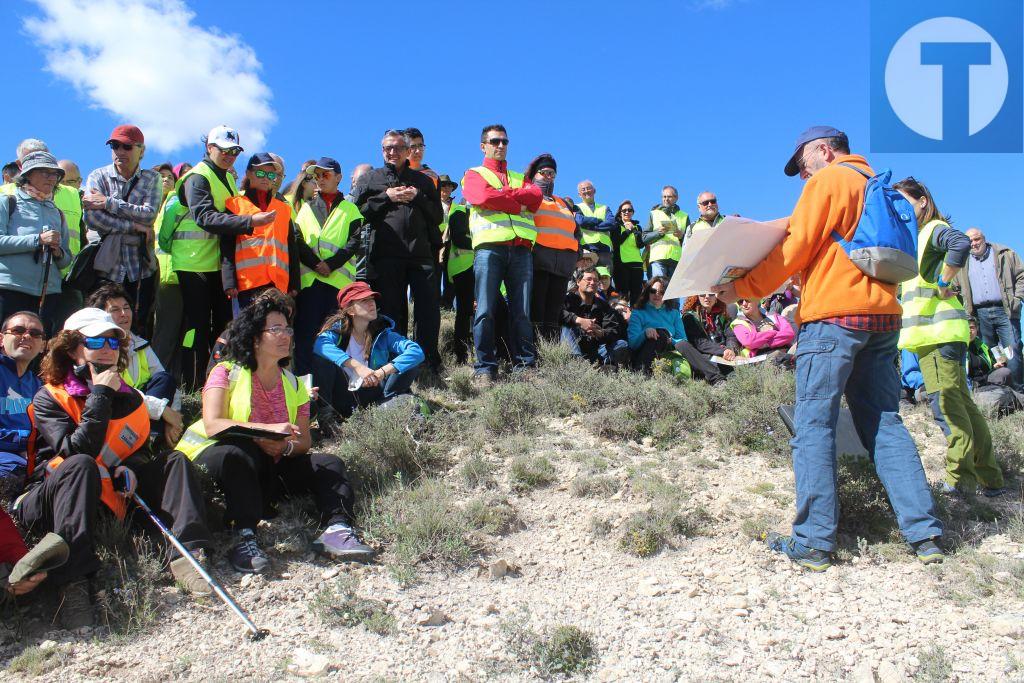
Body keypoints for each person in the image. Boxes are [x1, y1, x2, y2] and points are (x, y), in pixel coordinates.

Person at [712, 126, 944, 570]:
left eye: (802, 165)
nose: (803, 176)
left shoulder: (830, 181)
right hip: (882, 318)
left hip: (833, 318)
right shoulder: (874, 181)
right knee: (885, 423)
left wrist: (742, 288)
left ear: (823, 150)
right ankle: (926, 535)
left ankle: (815, 541)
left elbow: (793, 250)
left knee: (814, 425)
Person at [18, 308, 214, 629]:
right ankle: (74, 584)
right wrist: (100, 395)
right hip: (51, 502)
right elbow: (75, 451)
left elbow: (131, 450)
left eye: (113, 341)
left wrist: (132, 468)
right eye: (96, 340)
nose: (108, 347)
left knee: (173, 461)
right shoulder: (49, 397)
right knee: (81, 465)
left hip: (108, 500)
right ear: (72, 349)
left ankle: (188, 555)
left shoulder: (132, 400)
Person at [174, 295, 373, 571]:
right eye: (275, 329)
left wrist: (284, 448)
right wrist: (263, 433)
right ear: (255, 337)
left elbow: (303, 441)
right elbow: (213, 424)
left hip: (272, 464)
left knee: (330, 463)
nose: (285, 336)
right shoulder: (225, 371)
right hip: (218, 460)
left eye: (287, 329)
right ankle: (243, 536)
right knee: (240, 454)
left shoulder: (293, 383)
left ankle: (337, 529)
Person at [893, 177, 1006, 498]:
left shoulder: (932, 231)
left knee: (947, 406)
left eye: (905, 201)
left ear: (923, 201)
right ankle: (991, 478)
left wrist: (944, 282)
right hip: (938, 336)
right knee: (964, 406)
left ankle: (960, 479)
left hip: (939, 336)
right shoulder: (917, 239)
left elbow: (959, 243)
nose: (900, 208)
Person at [170, 125, 275, 377]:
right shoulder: (198, 177)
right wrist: (250, 222)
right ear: (209, 148)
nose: (229, 155)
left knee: (222, 325)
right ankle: (192, 382)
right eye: (224, 150)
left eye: (235, 151)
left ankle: (216, 378)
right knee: (196, 326)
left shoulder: (227, 176)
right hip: (192, 262)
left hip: (217, 263)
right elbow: (205, 217)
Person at [353, 130, 443, 371]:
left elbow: (438, 216)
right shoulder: (371, 179)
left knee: (428, 310)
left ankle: (427, 362)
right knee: (392, 312)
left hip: (420, 254)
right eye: (387, 148)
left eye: (396, 148)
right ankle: (395, 364)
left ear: (407, 151)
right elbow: (356, 213)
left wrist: (419, 198)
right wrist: (387, 197)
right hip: (386, 255)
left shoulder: (423, 181)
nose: (391, 152)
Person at [462, 124, 543, 384]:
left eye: (504, 142)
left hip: (521, 250)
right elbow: (479, 195)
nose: (500, 146)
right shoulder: (474, 173)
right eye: (495, 141)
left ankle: (524, 366)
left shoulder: (520, 176)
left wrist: (504, 194)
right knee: (485, 310)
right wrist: (515, 202)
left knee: (522, 311)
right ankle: (485, 368)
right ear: (483, 146)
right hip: (489, 249)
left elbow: (536, 197)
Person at [82, 125, 163, 335]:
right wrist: (132, 226)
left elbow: (148, 214)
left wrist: (108, 203)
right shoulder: (98, 175)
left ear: (141, 151)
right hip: (106, 266)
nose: (119, 151)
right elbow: (92, 218)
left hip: (140, 268)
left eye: (126, 146)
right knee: (100, 325)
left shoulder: (151, 178)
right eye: (114, 145)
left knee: (137, 327)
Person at [85, 284, 184, 446]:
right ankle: (150, 439)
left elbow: (171, 388)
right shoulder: (99, 347)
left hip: (143, 410)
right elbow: (122, 392)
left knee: (165, 379)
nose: (124, 314)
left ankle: (152, 438)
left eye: (126, 307)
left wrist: (173, 420)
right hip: (116, 409)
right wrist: (162, 411)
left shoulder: (140, 344)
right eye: (115, 310)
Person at [293, 157, 364, 376]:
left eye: (325, 175)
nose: (319, 180)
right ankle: (306, 397)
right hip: (310, 284)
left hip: (339, 288)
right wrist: (316, 264)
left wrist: (330, 265)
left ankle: (331, 395)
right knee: (305, 338)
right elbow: (297, 240)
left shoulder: (351, 210)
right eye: (316, 176)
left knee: (334, 342)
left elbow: (354, 242)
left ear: (339, 178)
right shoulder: (304, 209)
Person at [313, 281, 424, 420]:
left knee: (411, 363)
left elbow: (416, 351)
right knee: (322, 358)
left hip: (373, 394)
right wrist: (357, 366)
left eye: (372, 299)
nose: (372, 303)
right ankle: (327, 417)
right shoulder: (337, 331)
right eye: (364, 300)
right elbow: (319, 344)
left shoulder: (382, 332)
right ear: (350, 310)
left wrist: (381, 373)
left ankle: (385, 404)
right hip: (343, 396)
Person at [0, 150, 70, 331]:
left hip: (48, 295)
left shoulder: (57, 213)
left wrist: (58, 252)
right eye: (45, 172)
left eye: (55, 174)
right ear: (28, 174)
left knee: (37, 353)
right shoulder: (7, 202)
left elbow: (66, 260)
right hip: (10, 290)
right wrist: (37, 240)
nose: (51, 178)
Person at [223, 153, 300, 308]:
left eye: (271, 174)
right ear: (249, 173)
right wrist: (229, 282)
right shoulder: (235, 205)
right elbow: (227, 245)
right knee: (249, 330)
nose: (266, 178)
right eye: (260, 173)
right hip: (247, 285)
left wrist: (294, 283)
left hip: (278, 285)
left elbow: (292, 248)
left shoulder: (284, 210)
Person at [953, 227, 1023, 389]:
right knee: (990, 352)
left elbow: (1021, 276)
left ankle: (1019, 391)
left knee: (1012, 350)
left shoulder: (1004, 254)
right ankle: (996, 389)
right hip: (979, 314)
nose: (974, 243)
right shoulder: (962, 262)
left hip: (1005, 310)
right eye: (970, 241)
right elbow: (955, 288)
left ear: (984, 239)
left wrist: (1018, 298)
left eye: (977, 239)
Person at [526, 154, 580, 343]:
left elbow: (576, 233)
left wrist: (575, 256)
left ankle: (551, 355)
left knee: (553, 312)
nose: (549, 177)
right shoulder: (530, 198)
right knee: (536, 310)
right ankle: (534, 353)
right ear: (534, 174)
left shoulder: (562, 202)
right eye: (545, 172)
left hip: (563, 266)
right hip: (538, 263)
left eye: (552, 173)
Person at [0, 311, 45, 496]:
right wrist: (26, 442)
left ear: (42, 346)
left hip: (31, 461)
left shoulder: (41, 387)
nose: (27, 336)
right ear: (1, 339)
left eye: (35, 334)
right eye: (18, 330)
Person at [561, 268, 629, 366]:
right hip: (573, 346)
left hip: (596, 349)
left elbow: (613, 330)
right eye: (588, 279)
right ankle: (577, 364)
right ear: (578, 281)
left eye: (596, 280)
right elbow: (558, 314)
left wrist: (601, 333)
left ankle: (603, 366)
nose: (592, 282)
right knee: (566, 328)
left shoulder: (604, 305)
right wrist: (578, 321)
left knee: (621, 344)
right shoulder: (568, 300)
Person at [440, 175, 474, 363]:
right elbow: (460, 238)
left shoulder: (481, 210)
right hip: (462, 268)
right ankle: (460, 354)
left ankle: (470, 351)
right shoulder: (459, 210)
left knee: (474, 311)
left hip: (478, 266)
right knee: (464, 311)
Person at [681, 293, 740, 383]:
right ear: (696, 297)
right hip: (704, 355)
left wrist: (730, 350)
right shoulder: (689, 317)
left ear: (716, 297)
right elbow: (700, 343)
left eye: (711, 294)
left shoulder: (723, 313)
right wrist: (722, 351)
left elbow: (730, 336)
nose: (707, 297)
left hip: (724, 354)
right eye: (702, 294)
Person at [643, 186, 689, 280]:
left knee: (673, 293)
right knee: (658, 289)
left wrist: (682, 236)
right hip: (658, 258)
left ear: (676, 198)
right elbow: (644, 237)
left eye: (669, 197)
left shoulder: (684, 216)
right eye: (664, 197)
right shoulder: (654, 214)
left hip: (677, 260)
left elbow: (691, 240)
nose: (666, 199)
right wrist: (658, 233)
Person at [731, 297, 796, 358]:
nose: (744, 304)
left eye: (747, 300)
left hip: (787, 353)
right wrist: (773, 333)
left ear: (757, 299)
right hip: (763, 359)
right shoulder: (738, 323)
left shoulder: (774, 316)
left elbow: (789, 334)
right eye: (740, 302)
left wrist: (760, 343)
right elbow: (749, 342)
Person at [612, 200, 644, 307]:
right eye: (624, 210)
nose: (627, 212)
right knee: (623, 295)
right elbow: (616, 242)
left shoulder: (637, 227)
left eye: (629, 210)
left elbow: (640, 245)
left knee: (637, 295)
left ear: (633, 212)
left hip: (637, 264)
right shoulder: (616, 225)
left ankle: (635, 319)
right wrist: (627, 231)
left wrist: (634, 231)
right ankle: (623, 319)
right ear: (620, 212)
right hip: (621, 264)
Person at [575, 180, 614, 268]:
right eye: (583, 189)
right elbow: (580, 221)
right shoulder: (576, 207)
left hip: (604, 249)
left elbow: (611, 223)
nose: (586, 191)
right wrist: (599, 221)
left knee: (605, 278)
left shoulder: (605, 208)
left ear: (594, 191)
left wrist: (590, 226)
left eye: (588, 188)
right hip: (587, 247)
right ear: (579, 194)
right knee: (589, 278)